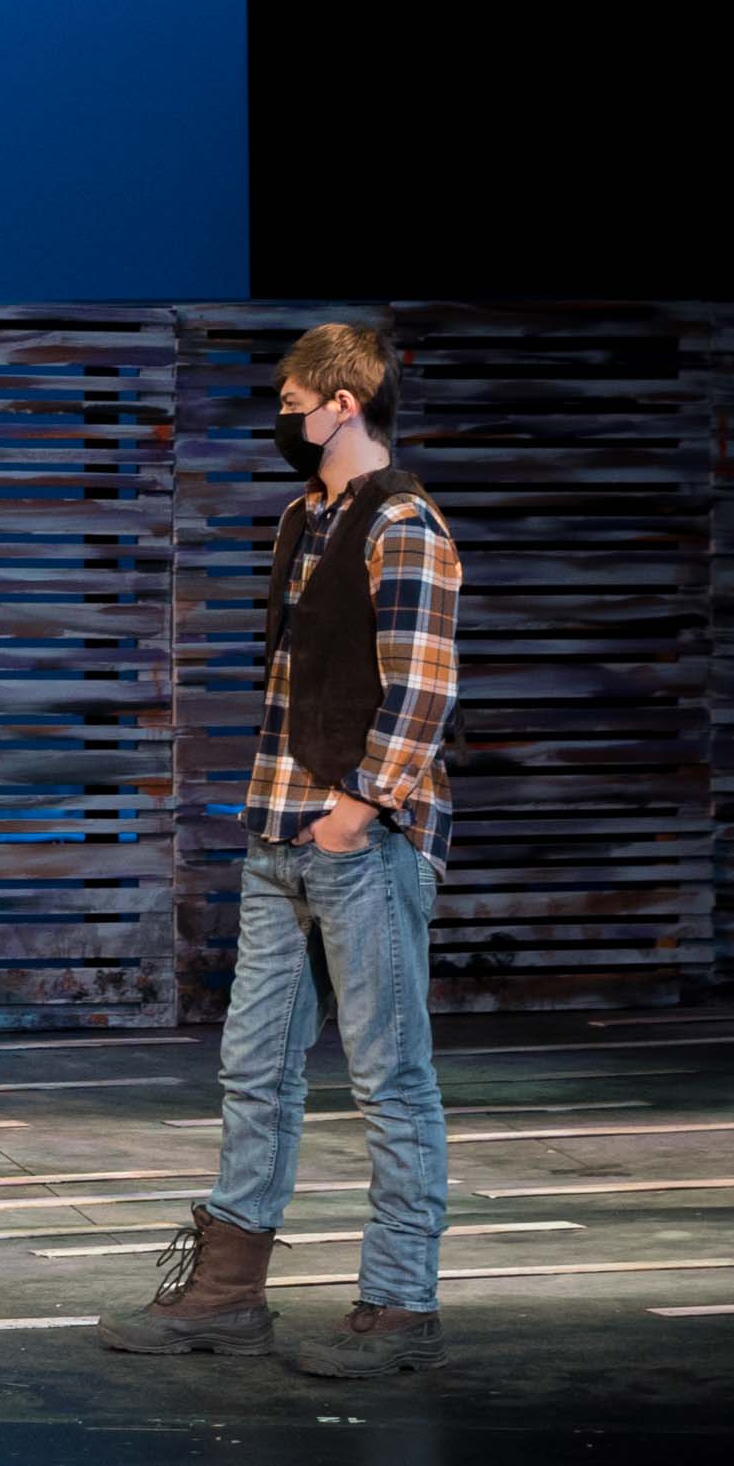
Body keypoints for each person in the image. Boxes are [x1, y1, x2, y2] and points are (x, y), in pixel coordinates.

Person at [105, 322, 465, 1376]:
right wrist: (289, 819)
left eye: (291, 403)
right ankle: (224, 1294)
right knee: (253, 1066)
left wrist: (356, 810)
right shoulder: (301, 521)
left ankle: (399, 1308)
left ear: (340, 402)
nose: (282, 421)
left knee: (389, 1076)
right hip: (279, 832)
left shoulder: (403, 524)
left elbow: (422, 689)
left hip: (361, 842)